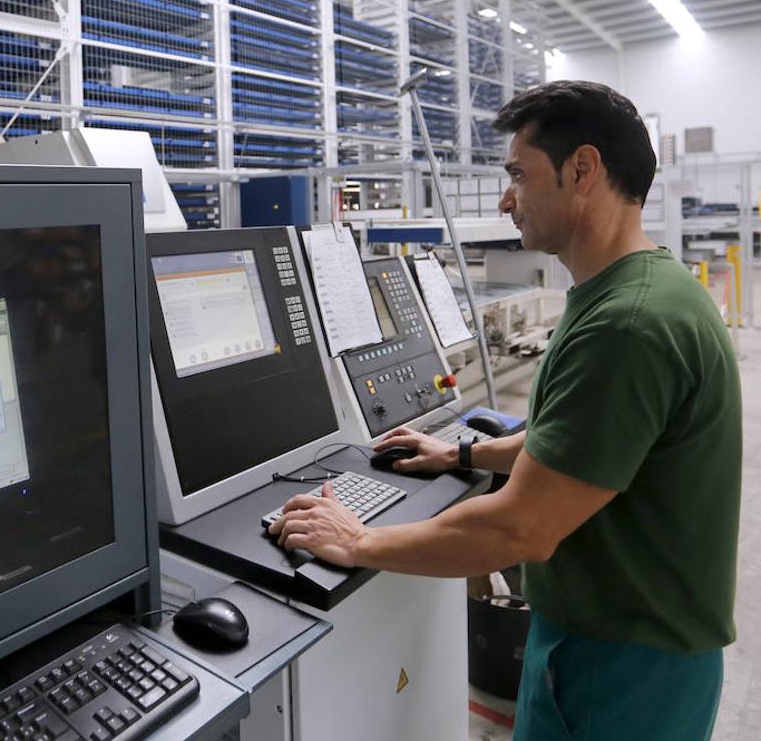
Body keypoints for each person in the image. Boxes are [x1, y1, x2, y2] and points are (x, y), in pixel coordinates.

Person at [268, 81, 742, 740]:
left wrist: (359, 542)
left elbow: (522, 530)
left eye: (519, 174)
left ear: (582, 170)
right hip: (617, 643)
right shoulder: (637, 290)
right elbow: (577, 443)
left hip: (621, 667)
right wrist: (459, 452)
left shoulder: (626, 327)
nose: (505, 198)